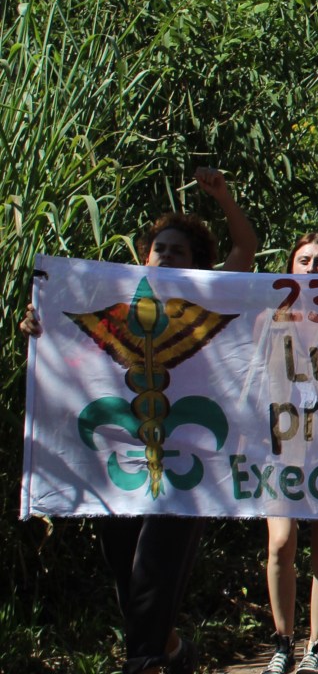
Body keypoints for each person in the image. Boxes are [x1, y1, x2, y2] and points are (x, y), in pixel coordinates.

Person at [27, 168, 258, 674]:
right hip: (117, 458)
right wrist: (38, 324)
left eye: (179, 251)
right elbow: (69, 347)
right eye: (160, 249)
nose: (167, 256)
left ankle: (146, 662)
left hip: (186, 463)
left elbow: (246, 248)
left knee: (158, 566)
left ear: (197, 262)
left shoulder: (208, 298)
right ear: (145, 255)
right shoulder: (108, 304)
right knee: (128, 575)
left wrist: (224, 198)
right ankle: (172, 650)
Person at [260, 234, 318, 674]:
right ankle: (282, 643)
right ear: (291, 267)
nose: (313, 269)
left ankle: (317, 647)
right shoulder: (269, 319)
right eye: (305, 260)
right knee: (280, 544)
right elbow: (250, 378)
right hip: (279, 447)